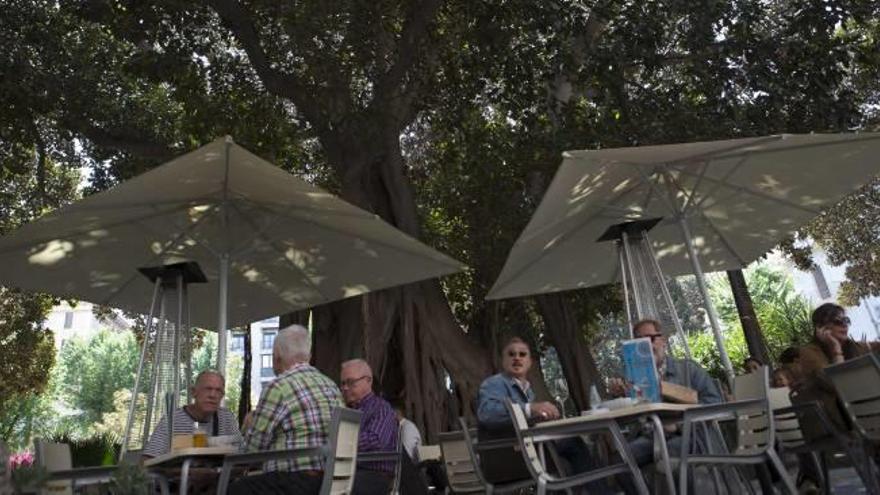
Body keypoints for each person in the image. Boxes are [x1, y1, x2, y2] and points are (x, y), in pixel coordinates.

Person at [477, 337, 610, 493]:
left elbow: (521, 422)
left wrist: (539, 417)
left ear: (530, 362)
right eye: (511, 354)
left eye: (522, 354)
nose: (517, 358)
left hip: (524, 451)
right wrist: (529, 408)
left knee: (569, 457)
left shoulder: (527, 390)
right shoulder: (495, 384)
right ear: (502, 361)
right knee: (574, 444)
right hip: (507, 459)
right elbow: (488, 414)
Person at [229, 325, 342, 495]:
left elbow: (252, 452)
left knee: (235, 488)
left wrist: (248, 426)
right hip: (329, 482)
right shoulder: (332, 386)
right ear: (308, 355)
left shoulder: (279, 387)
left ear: (277, 358)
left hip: (294, 483)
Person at [793, 303, 880, 494]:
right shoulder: (809, 352)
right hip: (836, 421)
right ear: (820, 328)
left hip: (864, 415)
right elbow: (834, 384)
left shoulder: (854, 346)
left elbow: (874, 348)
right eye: (837, 321)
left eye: (846, 320)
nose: (845, 325)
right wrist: (835, 350)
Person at [609, 319, 722, 467]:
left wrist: (678, 426)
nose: (646, 345)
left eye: (650, 338)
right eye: (639, 341)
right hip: (653, 437)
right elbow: (634, 418)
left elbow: (714, 402)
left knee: (670, 452)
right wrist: (621, 397)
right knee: (620, 459)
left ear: (663, 341)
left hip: (693, 435)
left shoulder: (688, 369)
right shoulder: (634, 379)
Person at [340, 359, 428, 495]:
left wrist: (341, 442)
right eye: (343, 383)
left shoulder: (380, 408)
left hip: (376, 474)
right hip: (351, 471)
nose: (345, 388)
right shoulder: (346, 411)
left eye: (351, 382)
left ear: (368, 381)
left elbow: (375, 440)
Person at [142, 370, 241, 458]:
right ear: (194, 392)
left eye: (218, 390)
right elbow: (147, 461)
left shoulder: (226, 417)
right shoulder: (173, 419)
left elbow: (242, 453)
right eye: (208, 389)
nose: (212, 395)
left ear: (222, 396)